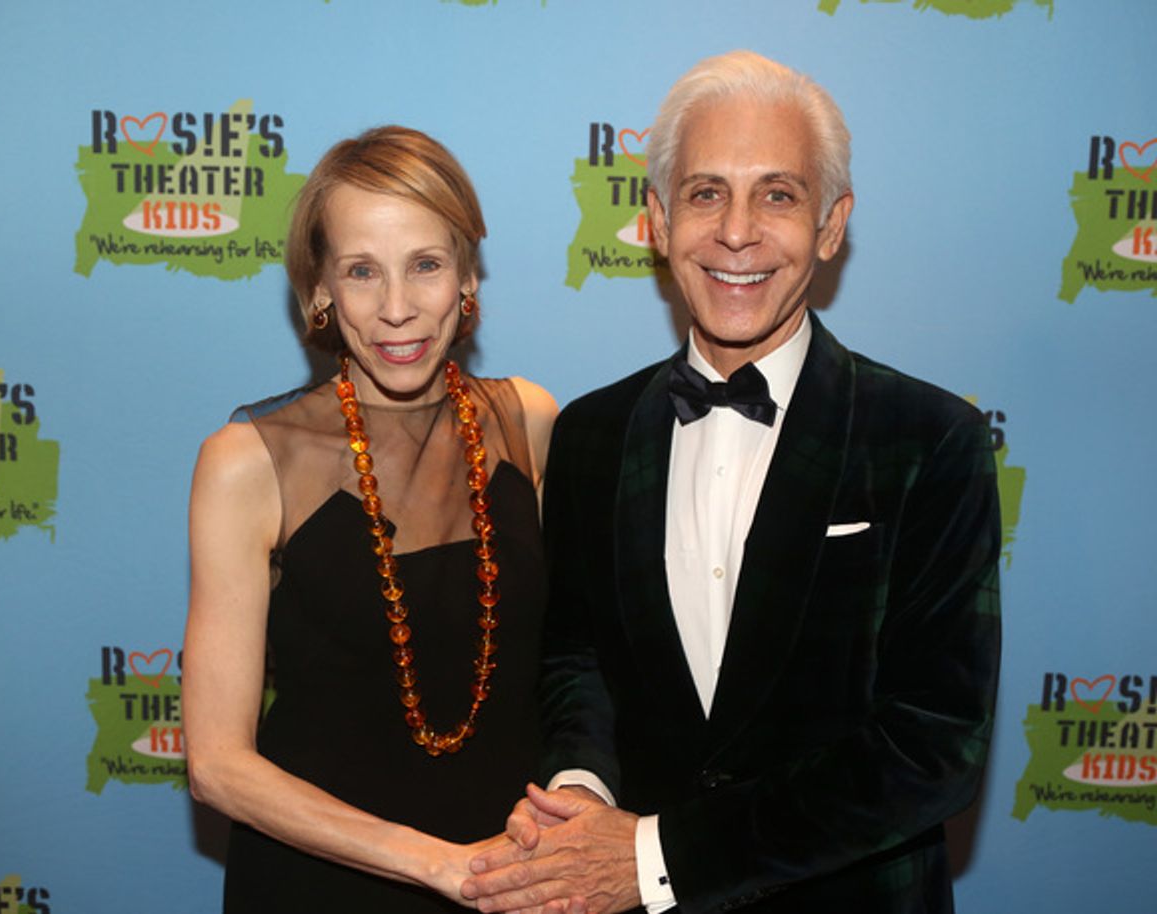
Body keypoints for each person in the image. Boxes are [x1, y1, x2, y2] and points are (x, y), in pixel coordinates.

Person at [461, 51, 1001, 914]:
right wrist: (582, 792)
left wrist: (650, 856)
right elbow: (575, 655)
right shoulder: (592, 435)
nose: (737, 232)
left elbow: (932, 749)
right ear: (656, 218)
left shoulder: (930, 442)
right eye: (706, 192)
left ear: (831, 226)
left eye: (778, 195)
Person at [182, 126, 559, 912]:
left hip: (515, 882)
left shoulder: (529, 421)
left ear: (466, 276)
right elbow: (216, 764)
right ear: (319, 290)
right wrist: (437, 864)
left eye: (425, 264)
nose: (397, 308)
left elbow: (570, 670)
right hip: (322, 886)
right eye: (362, 271)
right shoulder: (246, 462)